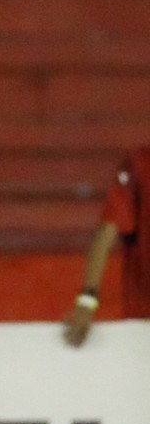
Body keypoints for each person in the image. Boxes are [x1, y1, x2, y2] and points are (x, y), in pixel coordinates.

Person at [63, 147, 150, 347]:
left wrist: (86, 301)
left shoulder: (139, 163)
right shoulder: (140, 164)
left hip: (142, 325)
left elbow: (107, 230)